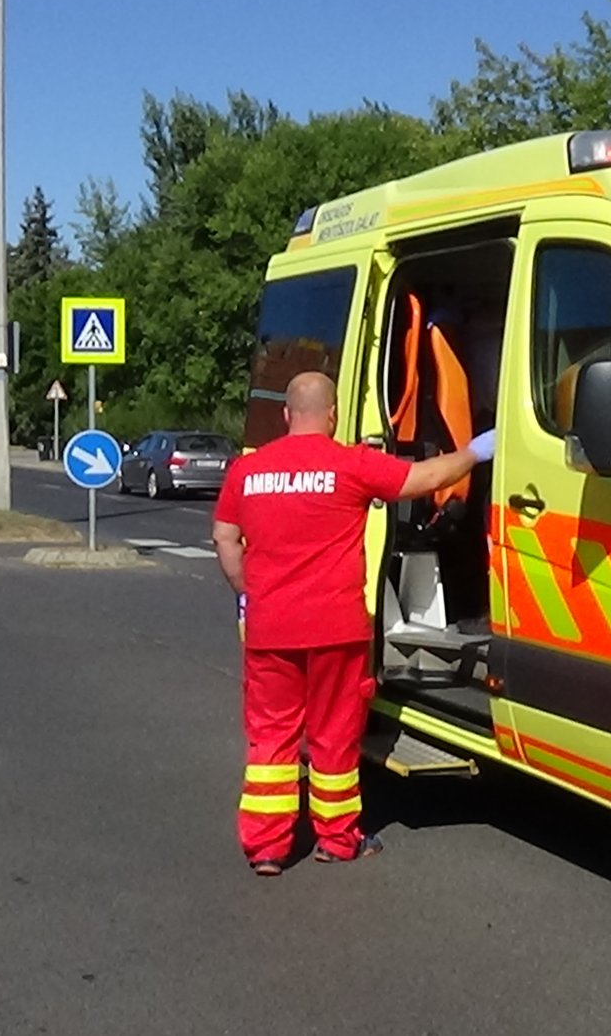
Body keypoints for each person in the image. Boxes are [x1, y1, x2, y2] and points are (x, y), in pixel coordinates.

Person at [212, 371, 495, 875]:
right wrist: (476, 451)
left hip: (270, 627)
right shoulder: (351, 465)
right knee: (333, 737)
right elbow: (425, 479)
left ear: (286, 415)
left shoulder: (248, 471)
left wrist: (247, 592)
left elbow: (224, 537)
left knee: (271, 739)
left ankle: (268, 849)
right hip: (336, 630)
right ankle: (337, 841)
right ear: (334, 415)